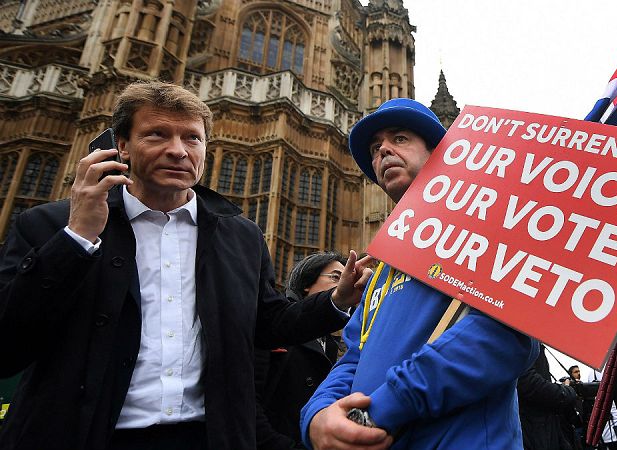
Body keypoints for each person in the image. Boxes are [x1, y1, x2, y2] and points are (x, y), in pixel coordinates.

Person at [0, 81, 369, 450]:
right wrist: (77, 238)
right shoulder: (49, 226)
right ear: (122, 146)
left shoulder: (241, 236)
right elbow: (9, 343)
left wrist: (337, 299)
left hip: (206, 437)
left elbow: (268, 323)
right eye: (157, 135)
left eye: (192, 138)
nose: (177, 151)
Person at [300, 98, 538, 449]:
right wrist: (318, 417)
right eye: (375, 146)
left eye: (399, 138)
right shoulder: (383, 265)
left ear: (441, 153)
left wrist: (382, 409)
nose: (382, 150)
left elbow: (506, 335)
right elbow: (354, 355)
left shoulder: (489, 226)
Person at [255, 252, 348, 449]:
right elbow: (248, 403)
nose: (344, 283)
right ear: (307, 282)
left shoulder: (335, 343)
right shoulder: (270, 325)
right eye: (335, 277)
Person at [518, 344, 581, 450]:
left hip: (545, 426)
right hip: (535, 429)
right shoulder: (523, 336)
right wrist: (567, 391)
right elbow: (527, 382)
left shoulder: (533, 342)